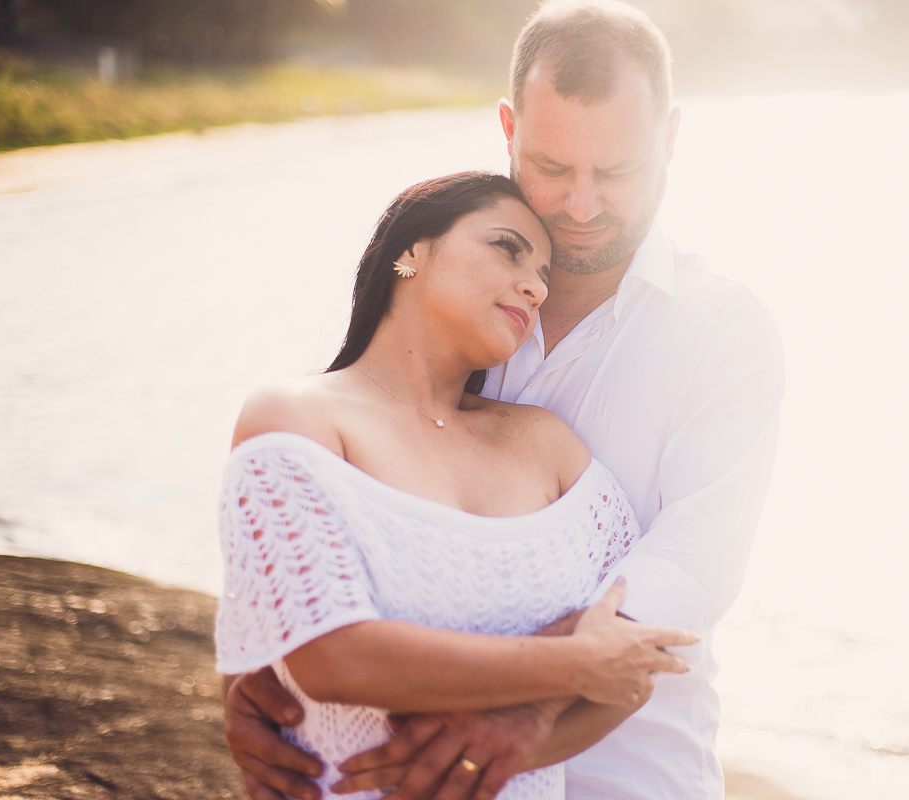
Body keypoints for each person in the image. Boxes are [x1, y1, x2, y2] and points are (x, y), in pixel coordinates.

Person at [224, 2, 785, 800]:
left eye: (617, 172)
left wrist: (534, 703)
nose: (583, 205)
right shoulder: (443, 289)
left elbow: (699, 558)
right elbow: (326, 497)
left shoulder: (722, 329)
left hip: (632, 771)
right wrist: (264, 662)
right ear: (508, 128)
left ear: (670, 138)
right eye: (552, 168)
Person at [216, 171, 700, 800]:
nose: (534, 284)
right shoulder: (296, 415)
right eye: (507, 248)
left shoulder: (549, 446)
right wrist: (574, 662)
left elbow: (637, 663)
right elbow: (332, 656)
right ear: (411, 251)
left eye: (545, 274)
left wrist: (500, 753)